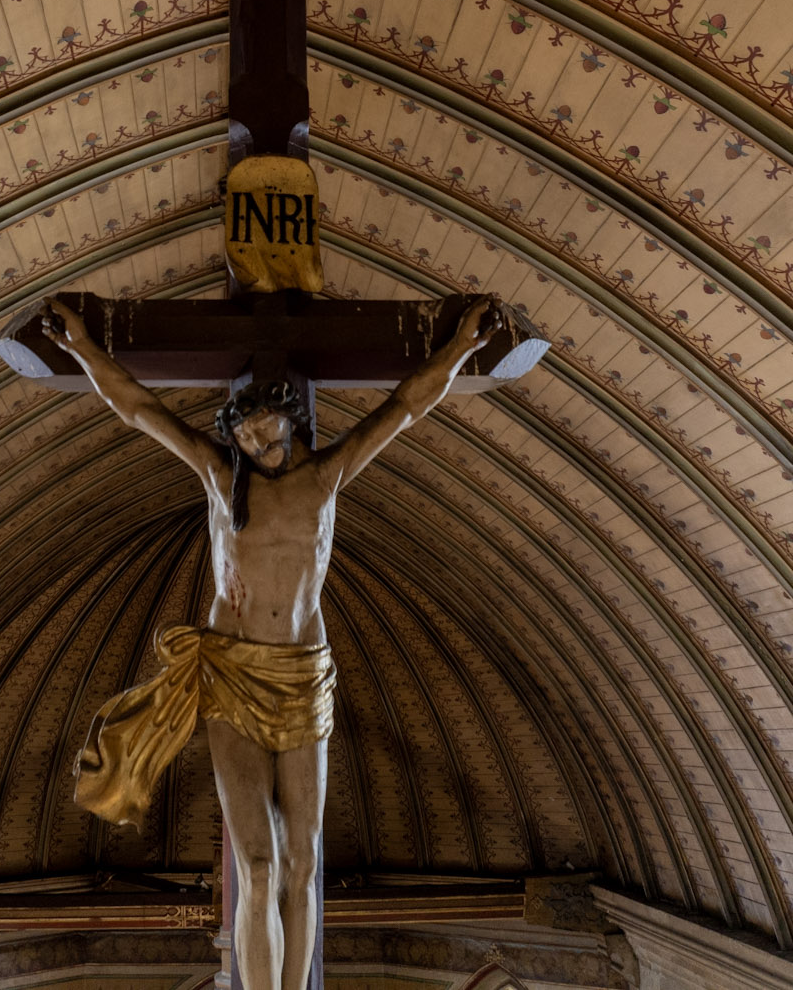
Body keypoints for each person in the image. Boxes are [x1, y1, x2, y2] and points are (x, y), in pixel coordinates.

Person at [37, 295, 500, 990]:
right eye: (243, 434)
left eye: (261, 426)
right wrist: (81, 349)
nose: (254, 440)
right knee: (256, 863)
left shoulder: (328, 475)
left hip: (302, 676)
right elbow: (137, 408)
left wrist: (461, 349)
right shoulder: (222, 479)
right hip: (230, 671)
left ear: (289, 412)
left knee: (304, 863)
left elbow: (406, 406)